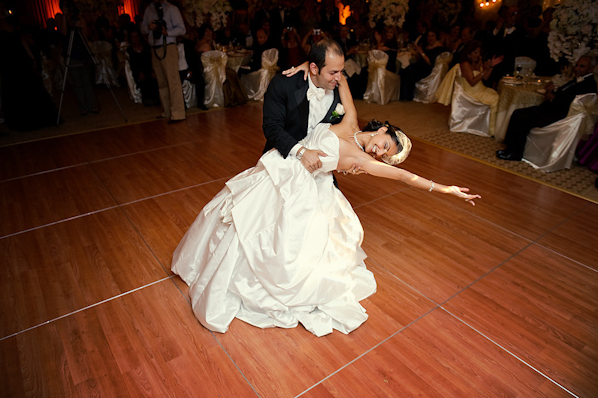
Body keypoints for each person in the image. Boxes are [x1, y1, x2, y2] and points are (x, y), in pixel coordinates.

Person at [171, 69, 481, 336]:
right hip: (284, 167)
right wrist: (307, 65)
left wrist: (446, 189)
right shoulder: (348, 122)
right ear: (383, 129)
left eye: (385, 154)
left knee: (282, 242)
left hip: (305, 189)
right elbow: (339, 76)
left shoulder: (365, 161)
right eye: (384, 144)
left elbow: (405, 178)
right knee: (245, 219)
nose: (379, 152)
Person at [263, 38, 344, 174]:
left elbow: (345, 129)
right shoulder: (283, 85)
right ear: (313, 68)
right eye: (333, 72)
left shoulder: (340, 90)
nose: (339, 78)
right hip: (282, 158)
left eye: (341, 71)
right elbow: (272, 127)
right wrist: (301, 152)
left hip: (319, 168)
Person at [496, 55, 597, 161]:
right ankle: (510, 148)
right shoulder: (579, 80)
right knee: (517, 112)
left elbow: (569, 103)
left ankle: (516, 153)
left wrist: (551, 97)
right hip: (552, 109)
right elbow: (564, 94)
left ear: (591, 69)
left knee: (523, 118)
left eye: (582, 66)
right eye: (576, 65)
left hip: (559, 114)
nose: (577, 68)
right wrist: (552, 91)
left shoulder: (588, 84)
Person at [437, 41, 502, 134]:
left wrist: (491, 67)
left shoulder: (477, 62)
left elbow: (485, 77)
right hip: (471, 92)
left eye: (479, 52)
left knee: (497, 96)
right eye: (475, 52)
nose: (478, 55)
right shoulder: (465, 64)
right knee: (494, 100)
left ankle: (494, 127)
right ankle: (491, 130)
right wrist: (485, 70)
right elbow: (472, 82)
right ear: (469, 53)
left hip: (481, 88)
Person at [140, 0, 186, 123]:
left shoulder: (171, 9)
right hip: (154, 48)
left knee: (173, 81)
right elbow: (142, 29)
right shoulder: (149, 10)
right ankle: (167, 111)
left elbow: (182, 29)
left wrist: (167, 32)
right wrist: (148, 27)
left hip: (169, 47)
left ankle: (178, 113)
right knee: (161, 81)